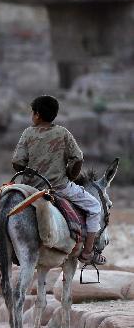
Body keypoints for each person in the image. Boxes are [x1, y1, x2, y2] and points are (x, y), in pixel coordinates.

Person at [11, 95, 105, 264]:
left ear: (37, 115)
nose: (32, 116)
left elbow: (17, 162)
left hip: (30, 188)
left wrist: (29, 170)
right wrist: (70, 175)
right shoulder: (63, 133)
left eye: (32, 112)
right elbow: (78, 158)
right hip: (59, 187)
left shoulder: (28, 133)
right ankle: (88, 252)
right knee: (95, 206)